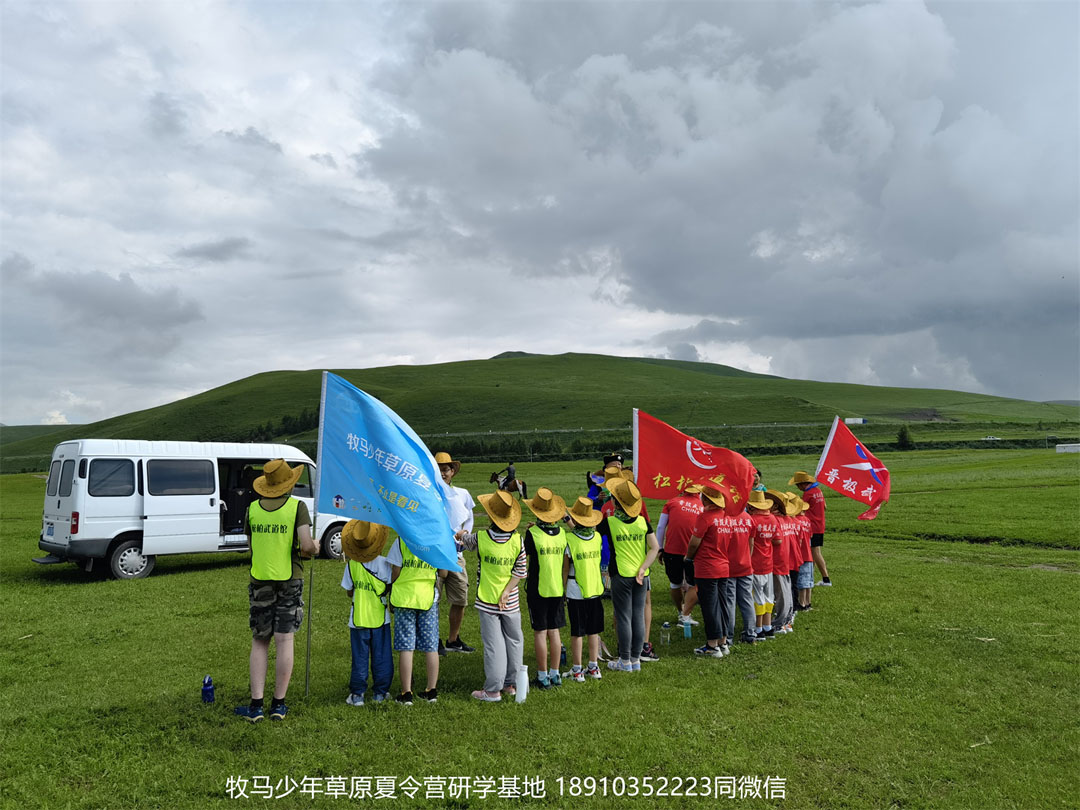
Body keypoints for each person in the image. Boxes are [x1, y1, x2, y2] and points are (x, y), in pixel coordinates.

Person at [235, 459, 319, 723]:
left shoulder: (252, 509)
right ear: (288, 484)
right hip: (290, 578)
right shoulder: (297, 507)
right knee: (285, 640)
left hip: (260, 578)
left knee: (260, 641)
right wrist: (315, 546)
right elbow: (306, 546)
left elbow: (251, 545)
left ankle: (256, 705)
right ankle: (278, 705)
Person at [455, 489, 527, 703]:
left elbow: (466, 541)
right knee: (515, 641)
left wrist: (460, 534)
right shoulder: (518, 541)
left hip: (487, 601)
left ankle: (493, 689)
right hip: (511, 601)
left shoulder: (482, 538)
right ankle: (510, 685)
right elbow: (520, 571)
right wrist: (507, 591)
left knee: (494, 645)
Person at [600, 479, 659, 672]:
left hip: (621, 575)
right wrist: (643, 568)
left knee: (624, 617)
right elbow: (655, 548)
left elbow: (588, 530)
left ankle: (624, 661)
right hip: (641, 575)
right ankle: (636, 659)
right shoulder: (643, 522)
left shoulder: (609, 522)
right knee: (638, 616)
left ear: (616, 503)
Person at [340, 521, 394, 706]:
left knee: (359, 659)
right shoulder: (385, 563)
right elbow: (388, 586)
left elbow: (349, 591)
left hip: (358, 619)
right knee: (382, 657)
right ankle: (380, 693)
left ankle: (357, 695)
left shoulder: (352, 565)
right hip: (380, 618)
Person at [387, 533, 444, 705]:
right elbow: (444, 572)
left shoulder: (401, 541)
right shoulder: (435, 541)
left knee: (406, 646)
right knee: (431, 645)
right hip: (427, 598)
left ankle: (406, 694)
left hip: (404, 598)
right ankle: (431, 690)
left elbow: (395, 572)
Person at [523, 487, 569, 689]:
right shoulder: (562, 534)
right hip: (557, 587)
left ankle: (542, 676)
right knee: (554, 631)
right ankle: (555, 673)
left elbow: (527, 554)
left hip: (538, 587)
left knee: (540, 632)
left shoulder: (532, 533)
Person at [435, 452, 476, 655]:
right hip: (436, 554)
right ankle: (433, 638)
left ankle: (453, 639)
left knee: (460, 598)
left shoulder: (462, 494)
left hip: (457, 554)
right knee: (433, 598)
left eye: (446, 469)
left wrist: (465, 533)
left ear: (452, 472)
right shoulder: (429, 493)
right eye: (439, 469)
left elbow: (468, 516)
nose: (443, 473)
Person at [561, 497, 605, 682]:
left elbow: (565, 568)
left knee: (577, 631)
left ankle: (577, 670)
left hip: (574, 588)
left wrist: (562, 590)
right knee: (593, 630)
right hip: (594, 588)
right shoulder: (596, 537)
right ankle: (593, 667)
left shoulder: (568, 539)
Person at [684, 483, 730, 658]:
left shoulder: (705, 517)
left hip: (707, 567)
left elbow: (695, 541)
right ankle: (723, 642)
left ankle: (712, 645)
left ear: (705, 499)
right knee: (723, 605)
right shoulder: (726, 516)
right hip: (723, 565)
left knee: (710, 606)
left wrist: (688, 557)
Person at [656, 484, 704, 627]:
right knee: (693, 585)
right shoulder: (702, 507)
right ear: (699, 492)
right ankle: (686, 615)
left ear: (683, 490)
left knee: (675, 584)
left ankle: (680, 611)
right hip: (693, 552)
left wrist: (660, 548)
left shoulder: (671, 502)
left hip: (672, 550)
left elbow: (660, 527)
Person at [724, 498, 758, 645]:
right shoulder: (749, 519)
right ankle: (750, 633)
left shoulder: (725, 519)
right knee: (747, 600)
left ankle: (729, 637)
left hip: (729, 566)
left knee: (729, 602)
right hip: (745, 565)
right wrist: (747, 558)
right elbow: (751, 542)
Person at [747, 491, 778, 640]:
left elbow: (749, 541)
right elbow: (777, 540)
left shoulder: (752, 520)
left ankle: (758, 629)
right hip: (768, 562)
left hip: (755, 563)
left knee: (757, 596)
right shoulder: (773, 518)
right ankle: (768, 627)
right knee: (768, 596)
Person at [790, 471, 830, 586]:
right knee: (812, 553)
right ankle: (809, 578)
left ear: (803, 484)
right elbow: (825, 506)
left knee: (815, 552)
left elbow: (800, 509)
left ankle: (826, 578)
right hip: (820, 525)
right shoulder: (818, 491)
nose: (798, 487)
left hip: (812, 527)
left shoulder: (808, 494)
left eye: (798, 485)